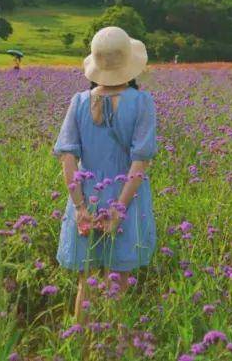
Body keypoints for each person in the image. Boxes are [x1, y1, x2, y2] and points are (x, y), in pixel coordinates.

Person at [52, 26, 158, 323]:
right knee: (119, 282)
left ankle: (83, 348)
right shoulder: (142, 102)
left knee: (86, 281)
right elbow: (139, 163)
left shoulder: (79, 101)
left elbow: (68, 157)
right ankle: (113, 347)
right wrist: (119, 209)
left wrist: (80, 207)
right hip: (128, 196)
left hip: (87, 193)